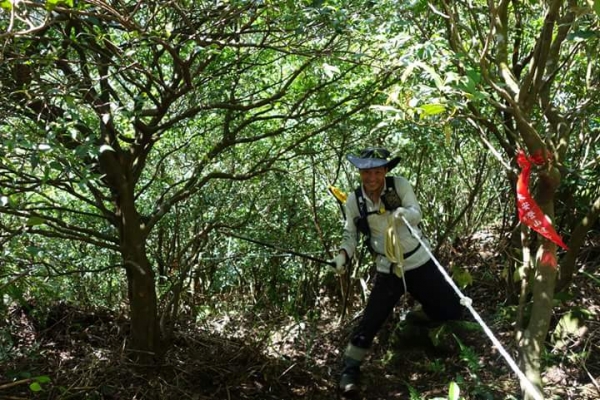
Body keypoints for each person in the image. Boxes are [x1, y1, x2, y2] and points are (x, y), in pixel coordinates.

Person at [330, 147, 463, 396]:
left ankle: (418, 316)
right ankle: (350, 369)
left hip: (419, 261)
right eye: (366, 173)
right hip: (388, 268)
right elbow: (350, 234)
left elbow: (416, 211)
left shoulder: (398, 186)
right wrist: (342, 256)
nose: (372, 178)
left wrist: (404, 213)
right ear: (360, 173)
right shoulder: (354, 201)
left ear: (385, 171)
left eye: (377, 172)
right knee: (370, 321)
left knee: (451, 310)